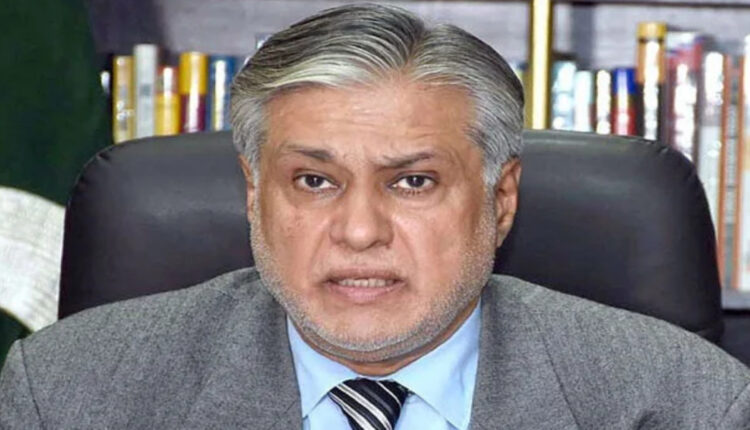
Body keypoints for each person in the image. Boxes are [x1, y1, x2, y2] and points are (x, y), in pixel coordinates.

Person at [1, 4, 749, 429]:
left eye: (413, 181)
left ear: (501, 200)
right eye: (314, 181)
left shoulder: (685, 403)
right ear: (254, 193)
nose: (360, 232)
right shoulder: (68, 394)